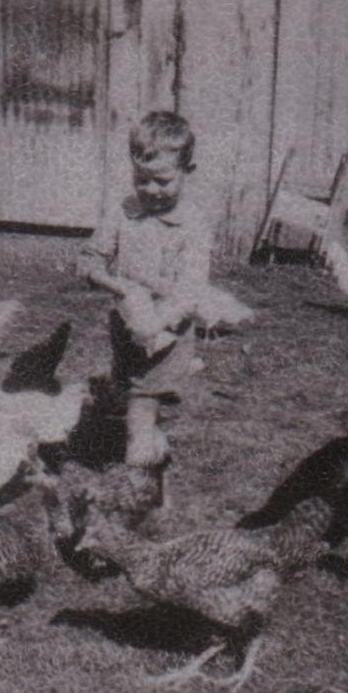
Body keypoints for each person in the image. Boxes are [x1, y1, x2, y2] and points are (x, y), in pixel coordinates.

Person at [78, 110, 254, 467]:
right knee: (133, 394)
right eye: (141, 180)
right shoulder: (123, 213)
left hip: (168, 332)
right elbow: (89, 259)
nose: (151, 191)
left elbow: (191, 291)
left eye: (162, 181)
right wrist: (119, 286)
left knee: (141, 406)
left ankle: (135, 480)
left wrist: (156, 323)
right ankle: (154, 450)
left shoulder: (193, 225)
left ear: (186, 172)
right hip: (127, 327)